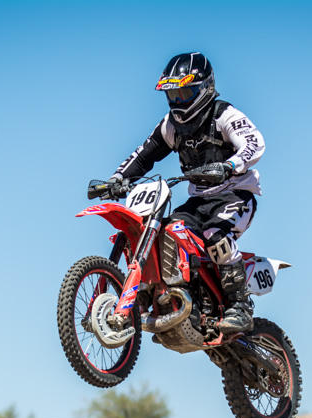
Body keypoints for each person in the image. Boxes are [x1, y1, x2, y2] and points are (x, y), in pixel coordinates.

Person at [109, 52, 265, 333]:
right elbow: (144, 155)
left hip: (235, 195)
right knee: (163, 233)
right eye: (173, 95)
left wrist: (230, 165)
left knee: (216, 235)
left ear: (205, 87)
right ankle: (156, 298)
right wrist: (117, 178)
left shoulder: (223, 114)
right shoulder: (171, 125)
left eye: (184, 93)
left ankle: (240, 306)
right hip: (198, 200)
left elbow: (254, 143)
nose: (178, 101)